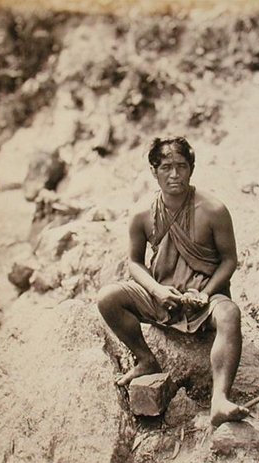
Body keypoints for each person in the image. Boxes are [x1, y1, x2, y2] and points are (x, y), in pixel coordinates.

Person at [97, 137, 249, 426]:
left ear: (192, 168)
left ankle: (220, 399)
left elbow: (229, 260)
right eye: (166, 167)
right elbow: (134, 262)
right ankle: (145, 360)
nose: (175, 174)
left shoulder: (213, 210)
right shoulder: (142, 213)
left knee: (230, 314)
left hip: (204, 299)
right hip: (162, 297)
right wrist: (156, 290)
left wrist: (205, 294)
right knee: (108, 297)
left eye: (182, 166)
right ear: (153, 171)